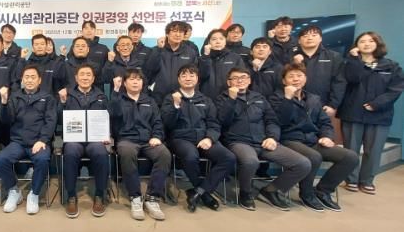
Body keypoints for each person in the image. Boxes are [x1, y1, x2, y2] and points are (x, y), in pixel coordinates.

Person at [215, 68, 310, 211]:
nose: (240, 80)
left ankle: (272, 190)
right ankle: (245, 193)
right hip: (238, 142)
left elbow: (272, 120)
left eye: (243, 77)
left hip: (263, 141)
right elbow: (222, 121)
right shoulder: (222, 99)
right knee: (250, 161)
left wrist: (272, 137)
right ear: (229, 82)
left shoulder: (259, 98)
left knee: (303, 163)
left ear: (249, 80)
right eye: (235, 78)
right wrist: (231, 100)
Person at [270, 64, 358, 212]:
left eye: (299, 76)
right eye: (291, 76)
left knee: (350, 157)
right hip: (289, 139)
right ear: (284, 81)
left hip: (312, 140)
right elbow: (280, 121)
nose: (296, 79)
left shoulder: (314, 99)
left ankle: (323, 190)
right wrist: (287, 98)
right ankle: (306, 193)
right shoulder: (276, 98)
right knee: (314, 156)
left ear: (305, 79)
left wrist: (326, 136)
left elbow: (325, 122)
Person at [161, 64, 235, 212]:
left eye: (191, 75)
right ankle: (205, 195)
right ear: (178, 79)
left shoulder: (206, 100)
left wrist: (209, 138)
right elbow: (167, 124)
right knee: (190, 156)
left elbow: (214, 123)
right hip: (180, 138)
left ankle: (199, 191)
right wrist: (176, 106)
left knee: (229, 158)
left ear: (197, 78)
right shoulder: (170, 98)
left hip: (204, 138)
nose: (188, 78)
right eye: (184, 75)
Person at [338, 32, 404, 194]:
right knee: (351, 149)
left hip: (379, 114)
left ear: (378, 44)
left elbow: (395, 89)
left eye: (371, 41)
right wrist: (355, 60)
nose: (366, 44)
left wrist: (376, 104)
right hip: (352, 112)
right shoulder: (349, 63)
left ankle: (367, 180)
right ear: (356, 45)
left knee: (373, 150)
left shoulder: (391, 66)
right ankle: (351, 180)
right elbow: (352, 79)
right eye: (362, 41)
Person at [110, 69, 171, 221]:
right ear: (125, 83)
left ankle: (152, 197)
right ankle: (135, 197)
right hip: (126, 139)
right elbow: (113, 114)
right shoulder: (118, 99)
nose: (135, 82)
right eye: (131, 79)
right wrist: (116, 90)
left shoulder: (149, 101)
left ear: (143, 83)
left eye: (138, 79)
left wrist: (157, 136)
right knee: (127, 152)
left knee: (164, 154)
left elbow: (157, 122)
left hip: (148, 140)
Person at [0, 65, 57, 215]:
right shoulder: (15, 97)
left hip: (39, 142)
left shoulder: (48, 97)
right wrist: (4, 102)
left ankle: (34, 194)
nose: (29, 80)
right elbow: (5, 120)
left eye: (33, 77)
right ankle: (13, 191)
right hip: (18, 142)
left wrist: (42, 140)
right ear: (22, 80)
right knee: (1, 159)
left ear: (39, 80)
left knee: (42, 159)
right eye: (26, 77)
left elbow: (51, 121)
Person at [59, 64, 110, 218]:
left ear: (93, 78)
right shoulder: (67, 94)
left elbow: (108, 118)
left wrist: (107, 134)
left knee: (101, 153)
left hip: (95, 140)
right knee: (70, 152)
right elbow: (58, 119)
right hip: (74, 139)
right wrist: (62, 102)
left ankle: (99, 195)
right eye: (82, 74)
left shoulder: (101, 96)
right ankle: (71, 196)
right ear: (76, 78)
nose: (85, 77)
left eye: (89, 75)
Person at [292, 26, 346, 118]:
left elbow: (339, 82)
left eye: (314, 35)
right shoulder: (291, 57)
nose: (309, 38)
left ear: (320, 38)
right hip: (295, 105)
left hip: (323, 106)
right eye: (305, 36)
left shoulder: (333, 57)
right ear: (299, 40)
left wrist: (333, 105)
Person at [144, 21, 199, 105]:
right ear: (167, 34)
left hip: (182, 96)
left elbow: (194, 74)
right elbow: (149, 70)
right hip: (159, 97)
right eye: (174, 31)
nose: (178, 34)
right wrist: (159, 50)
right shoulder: (156, 50)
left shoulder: (190, 52)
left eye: (181, 32)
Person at [198, 28, 246, 99]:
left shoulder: (235, 58)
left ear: (225, 41)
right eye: (214, 39)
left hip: (229, 97)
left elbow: (242, 78)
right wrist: (206, 56)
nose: (218, 42)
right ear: (209, 42)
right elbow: (202, 76)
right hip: (207, 98)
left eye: (221, 39)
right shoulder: (203, 59)